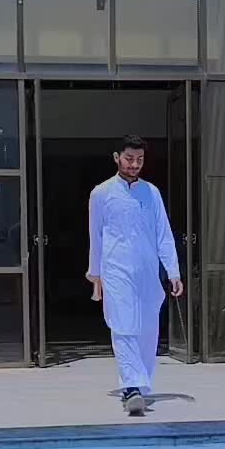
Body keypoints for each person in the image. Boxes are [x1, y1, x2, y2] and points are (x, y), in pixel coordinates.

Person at [87, 135, 183, 416]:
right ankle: (131, 386)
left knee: (147, 329)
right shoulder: (101, 194)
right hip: (116, 270)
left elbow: (163, 234)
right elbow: (96, 236)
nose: (134, 164)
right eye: (129, 158)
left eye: (139, 159)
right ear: (117, 157)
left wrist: (173, 271)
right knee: (123, 325)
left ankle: (140, 385)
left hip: (147, 273)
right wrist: (96, 276)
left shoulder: (151, 193)